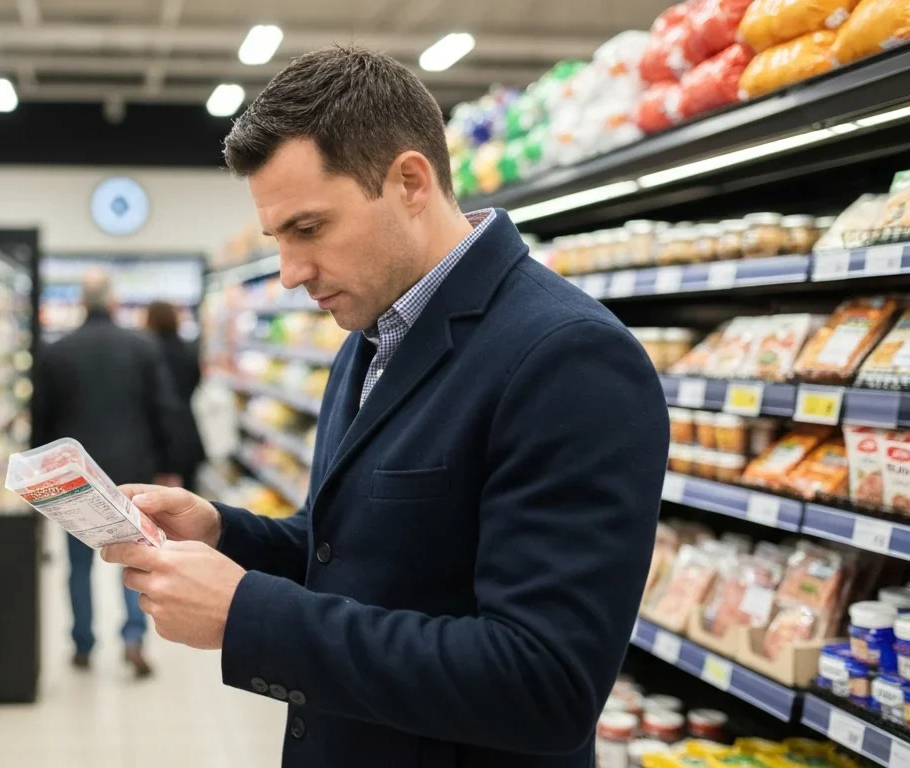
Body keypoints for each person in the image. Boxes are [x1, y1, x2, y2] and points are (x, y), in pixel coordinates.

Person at [101, 46, 668, 766]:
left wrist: (250, 616)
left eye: (309, 229)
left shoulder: (569, 358)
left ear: (409, 181)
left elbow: (544, 683)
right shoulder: (373, 335)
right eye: (279, 239)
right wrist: (224, 533)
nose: (289, 272)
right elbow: (354, 550)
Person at [32, 270, 183, 679]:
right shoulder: (142, 347)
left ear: (83, 303)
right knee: (134, 560)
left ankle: (83, 642)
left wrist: (36, 478)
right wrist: (170, 465)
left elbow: (41, 419)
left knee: (78, 564)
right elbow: (164, 410)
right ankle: (133, 638)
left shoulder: (57, 351)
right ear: (113, 302)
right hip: (132, 473)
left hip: (73, 479)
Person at [143, 301, 206, 491]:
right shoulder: (187, 350)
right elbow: (196, 381)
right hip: (186, 431)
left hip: (157, 438)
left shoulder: (146, 351)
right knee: (188, 493)